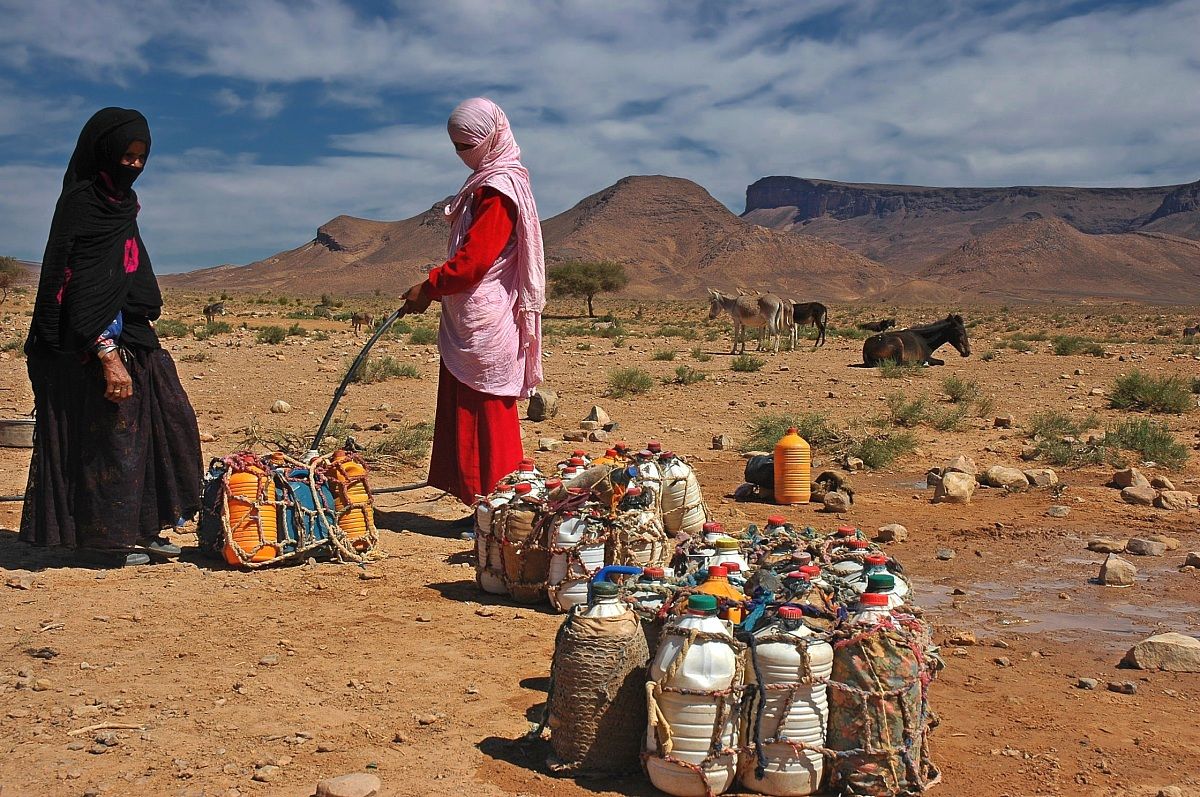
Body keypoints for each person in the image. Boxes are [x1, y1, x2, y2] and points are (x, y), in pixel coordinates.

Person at [21, 107, 202, 566]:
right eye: (127, 155)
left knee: (166, 424)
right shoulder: (83, 203)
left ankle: (143, 526)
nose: (135, 165)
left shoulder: (122, 205)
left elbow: (125, 270)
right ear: (105, 152)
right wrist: (104, 352)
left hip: (130, 332)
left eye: (143, 157)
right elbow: (75, 282)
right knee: (111, 441)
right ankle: (102, 541)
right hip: (84, 341)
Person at [401, 98, 545, 513]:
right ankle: (478, 507)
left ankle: (498, 508)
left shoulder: (497, 190)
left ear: (493, 137)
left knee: (488, 412)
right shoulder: (485, 183)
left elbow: (476, 261)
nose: (462, 156)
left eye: (467, 146)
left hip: (488, 318)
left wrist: (429, 286)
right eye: (456, 148)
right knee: (468, 410)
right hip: (470, 316)